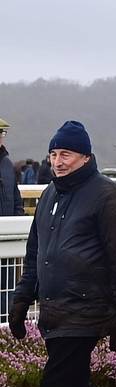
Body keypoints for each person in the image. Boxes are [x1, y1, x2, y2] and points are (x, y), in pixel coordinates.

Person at [8, 121, 116, 387]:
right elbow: (35, 252)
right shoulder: (49, 193)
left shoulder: (107, 195)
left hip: (85, 311)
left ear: (85, 157)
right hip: (55, 311)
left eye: (65, 154)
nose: (57, 162)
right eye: (53, 154)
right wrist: (21, 299)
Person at [0, 119, 24, 324]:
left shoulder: (7, 164)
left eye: (2, 134)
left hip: (7, 241)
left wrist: (18, 218)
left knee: (5, 291)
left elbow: (16, 198)